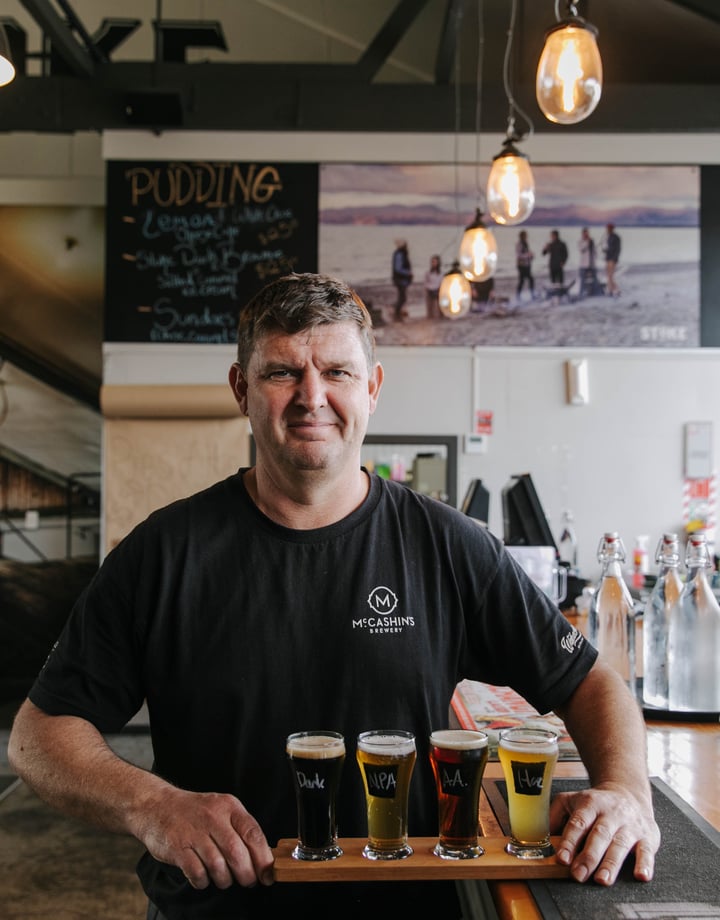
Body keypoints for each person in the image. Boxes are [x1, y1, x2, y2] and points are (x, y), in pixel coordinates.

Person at [8, 273, 660, 920]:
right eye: (282, 373)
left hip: (408, 912)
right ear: (242, 390)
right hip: (214, 913)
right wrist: (151, 806)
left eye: (338, 373)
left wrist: (626, 790)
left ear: (372, 389)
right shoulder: (163, 554)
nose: (311, 397)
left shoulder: (449, 546)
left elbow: (590, 681)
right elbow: (39, 736)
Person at [391, 238, 413, 321]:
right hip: (400, 280)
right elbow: (398, 268)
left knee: (402, 297)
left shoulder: (401, 253)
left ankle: (397, 311)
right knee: (402, 298)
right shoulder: (400, 254)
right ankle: (396, 312)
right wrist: (408, 273)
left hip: (402, 280)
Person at [603, 223, 622, 296]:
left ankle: (616, 289)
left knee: (610, 275)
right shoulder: (609, 237)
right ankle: (611, 290)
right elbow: (610, 248)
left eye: (608, 228)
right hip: (608, 258)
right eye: (607, 228)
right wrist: (605, 251)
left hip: (612, 259)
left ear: (611, 229)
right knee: (608, 276)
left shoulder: (616, 237)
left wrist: (615, 259)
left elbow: (618, 249)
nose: (607, 230)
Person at [515, 230, 535, 300]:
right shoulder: (519, 244)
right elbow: (519, 255)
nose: (526, 237)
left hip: (527, 265)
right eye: (525, 235)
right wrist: (528, 255)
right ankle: (518, 295)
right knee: (522, 280)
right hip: (522, 266)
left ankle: (532, 294)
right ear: (522, 236)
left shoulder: (525, 243)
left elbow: (526, 253)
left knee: (529, 279)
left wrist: (530, 255)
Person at [578, 227, 597, 297]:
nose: (586, 235)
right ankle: (581, 293)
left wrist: (595, 260)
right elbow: (581, 250)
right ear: (582, 234)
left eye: (587, 234)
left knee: (595, 279)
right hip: (583, 265)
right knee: (582, 280)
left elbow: (594, 252)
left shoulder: (592, 241)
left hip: (592, 264)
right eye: (585, 234)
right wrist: (587, 242)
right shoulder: (580, 241)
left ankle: (595, 293)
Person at [423, 253, 443, 319]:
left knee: (439, 305)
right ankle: (430, 316)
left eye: (435, 262)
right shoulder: (428, 273)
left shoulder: (441, 274)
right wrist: (427, 289)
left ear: (438, 263)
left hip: (437, 290)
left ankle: (441, 316)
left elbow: (441, 283)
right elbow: (425, 282)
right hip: (430, 290)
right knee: (430, 307)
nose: (433, 263)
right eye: (432, 262)